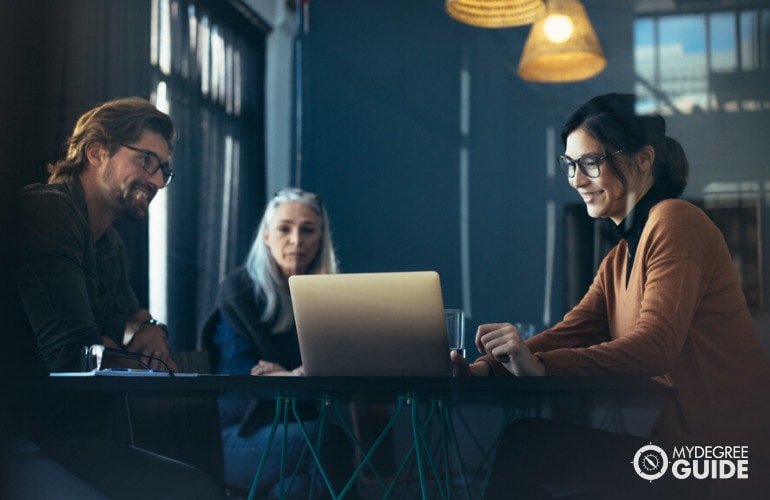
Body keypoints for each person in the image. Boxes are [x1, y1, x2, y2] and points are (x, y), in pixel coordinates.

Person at [453, 93, 770, 499]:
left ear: (642, 160)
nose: (576, 180)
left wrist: (541, 366)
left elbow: (656, 347)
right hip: (684, 452)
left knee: (529, 445)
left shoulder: (675, 221)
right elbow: (571, 331)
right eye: (569, 165)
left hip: (732, 458)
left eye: (590, 163)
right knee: (530, 444)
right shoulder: (619, 258)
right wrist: (487, 368)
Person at [7, 97, 225, 499]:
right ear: (96, 151)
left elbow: (128, 317)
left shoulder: (110, 243)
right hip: (15, 440)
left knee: (200, 489)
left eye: (164, 169)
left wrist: (148, 330)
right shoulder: (48, 210)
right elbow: (71, 354)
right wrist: (121, 349)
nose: (158, 182)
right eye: (146, 161)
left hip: (58, 437)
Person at [200, 188, 353, 498]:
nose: (296, 239)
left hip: (294, 433)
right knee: (327, 440)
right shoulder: (239, 290)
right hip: (235, 436)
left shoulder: (328, 298)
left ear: (320, 238)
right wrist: (299, 375)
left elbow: (339, 367)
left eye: (307, 230)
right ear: (267, 236)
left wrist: (288, 375)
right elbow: (244, 373)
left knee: (295, 489)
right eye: (285, 228)